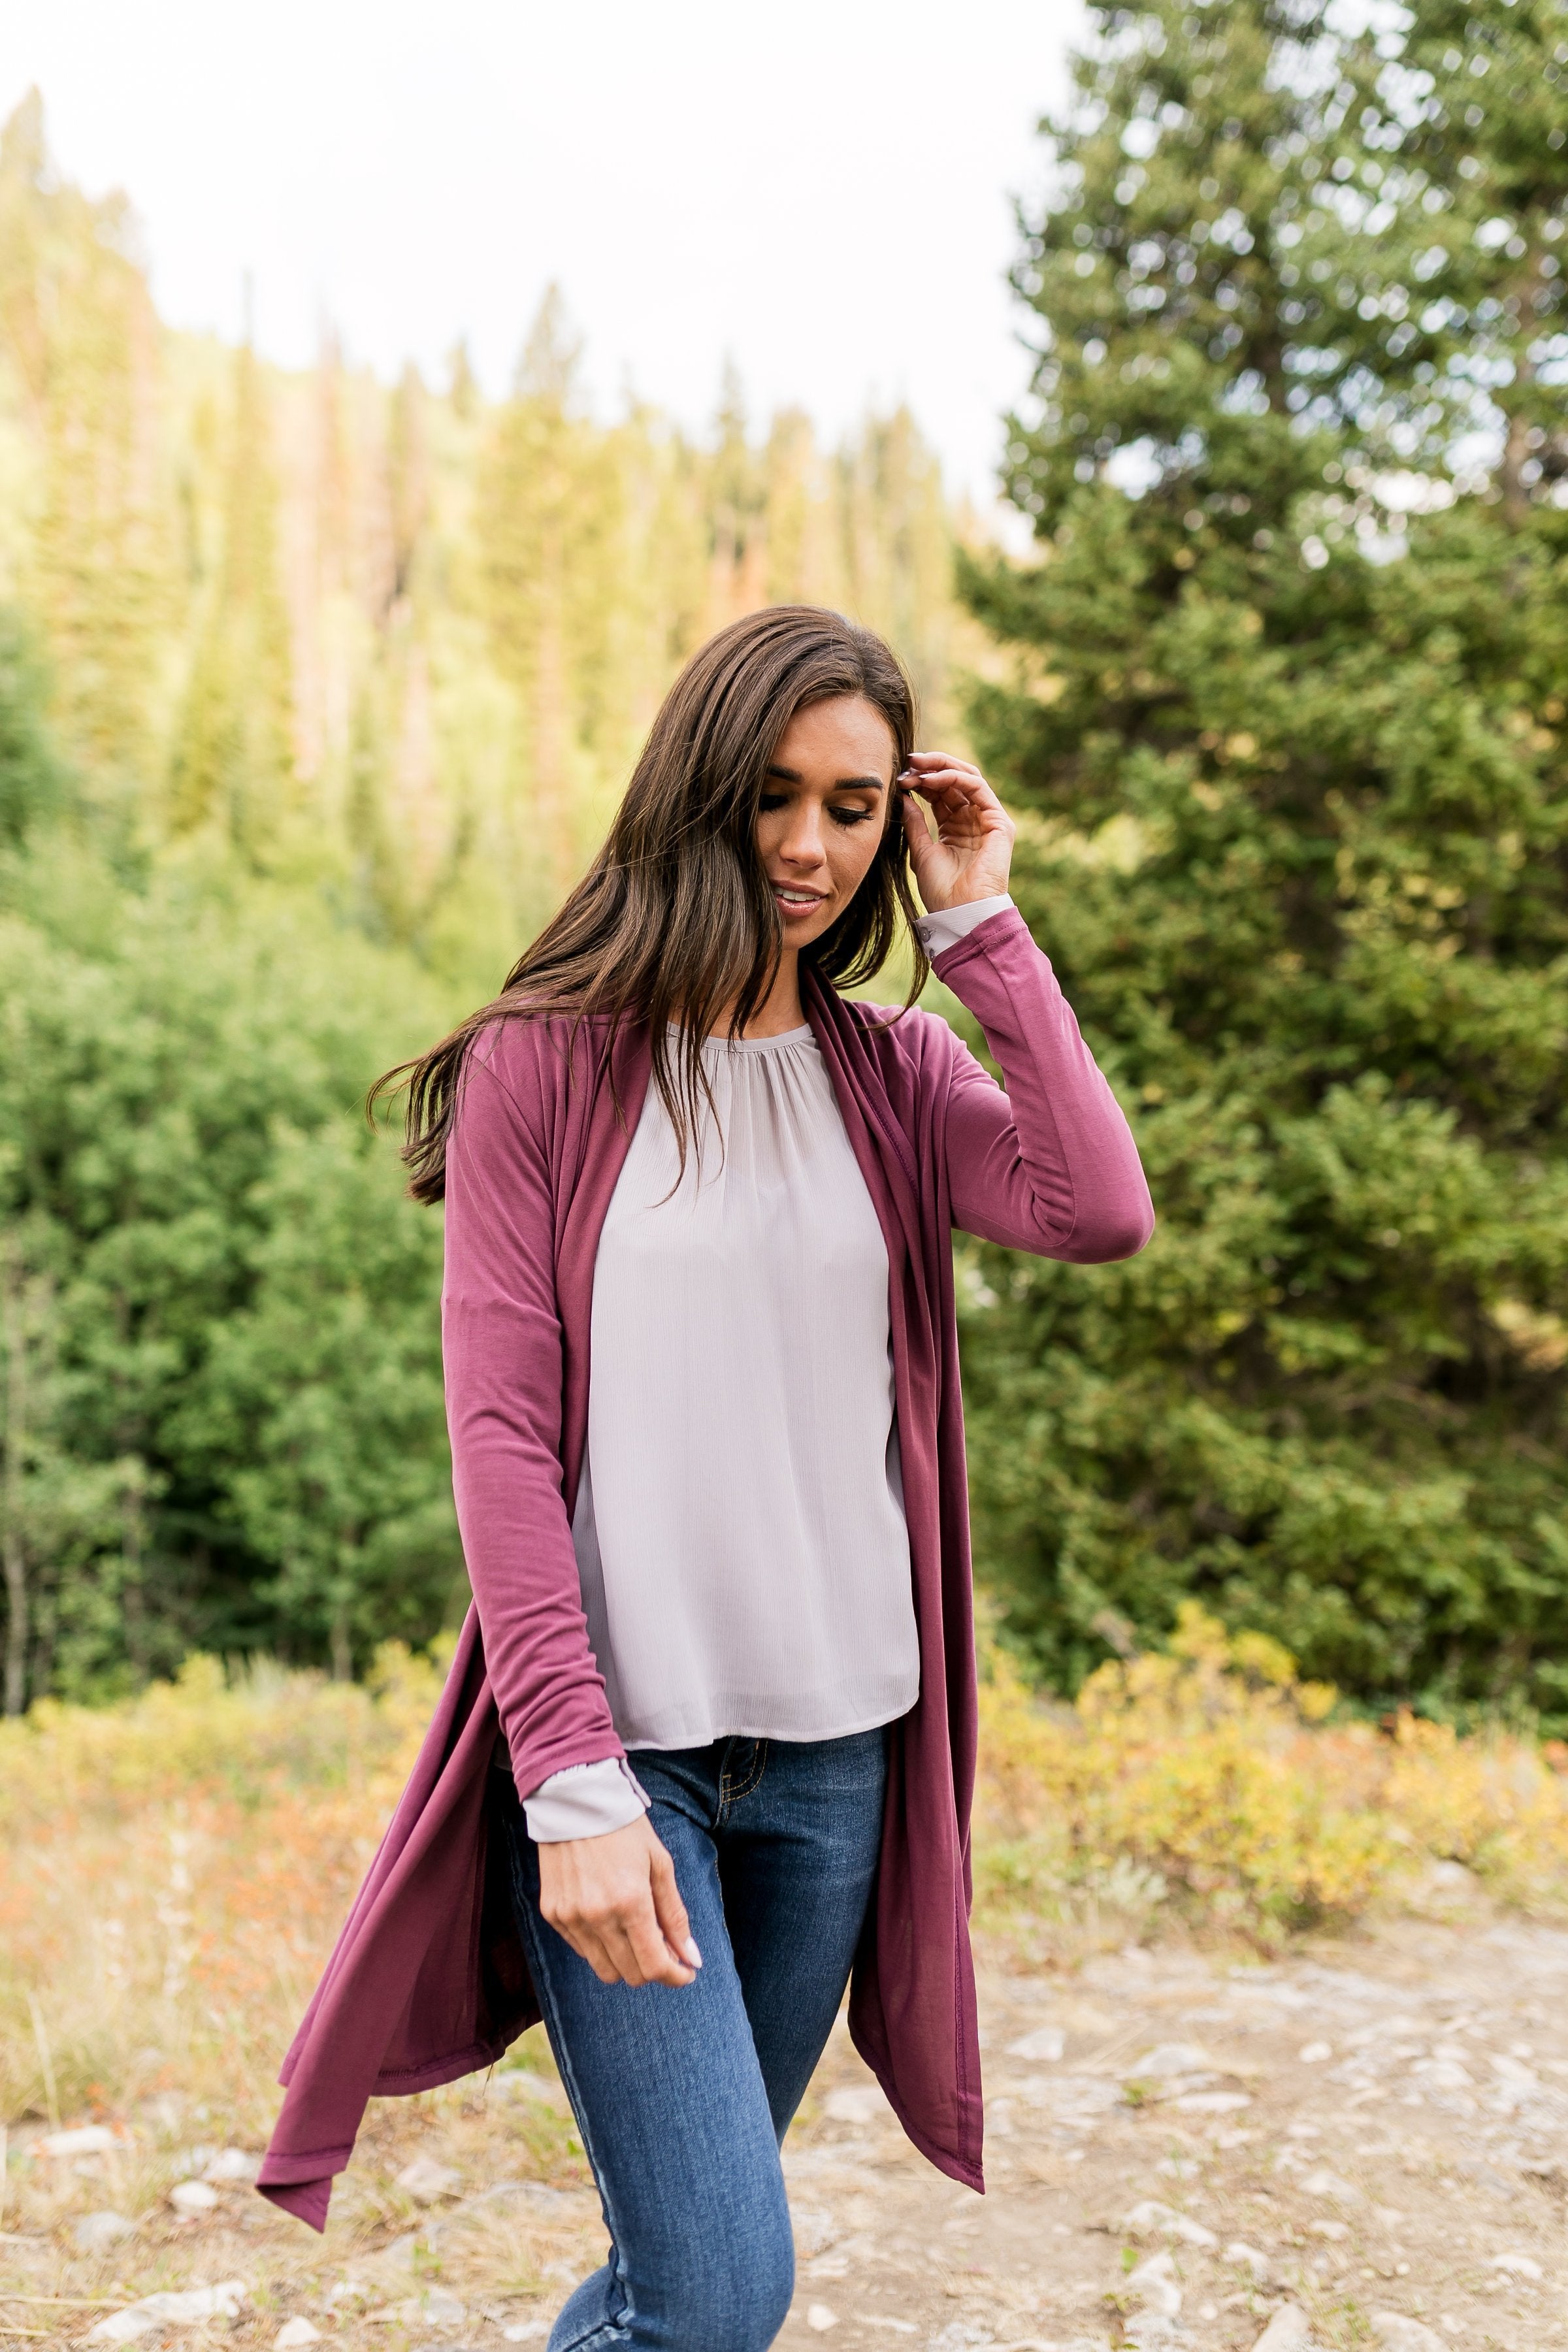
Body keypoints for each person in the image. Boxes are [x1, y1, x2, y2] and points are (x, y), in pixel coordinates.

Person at [256, 605, 1153, 2352]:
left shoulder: (894, 1075)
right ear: (697, 791)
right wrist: (574, 1787)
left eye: (854, 805)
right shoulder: (550, 1065)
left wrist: (983, 923)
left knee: (682, 2275)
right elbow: (503, 1441)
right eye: (773, 796)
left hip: (837, 1771)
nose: (812, 846)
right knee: (728, 2287)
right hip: (628, 1765)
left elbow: (1093, 1209)